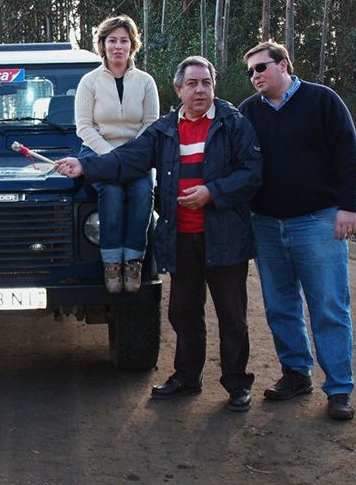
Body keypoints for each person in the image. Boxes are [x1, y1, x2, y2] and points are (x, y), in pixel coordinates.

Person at [55, 56, 262, 412]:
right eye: (192, 84)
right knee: (184, 312)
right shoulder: (164, 131)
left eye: (206, 83)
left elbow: (252, 172)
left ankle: (237, 383)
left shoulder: (234, 124)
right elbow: (128, 158)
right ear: (178, 89)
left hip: (225, 238)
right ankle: (187, 377)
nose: (200, 90)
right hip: (181, 236)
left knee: (232, 316)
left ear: (214, 86)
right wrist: (85, 166)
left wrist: (212, 192)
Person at [239, 42, 356, 421]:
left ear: (283, 65)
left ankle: (339, 388)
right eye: (250, 71)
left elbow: (348, 154)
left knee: (328, 306)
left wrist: (348, 206)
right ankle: (296, 373)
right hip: (266, 224)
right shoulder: (248, 112)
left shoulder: (322, 101)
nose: (255, 76)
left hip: (318, 221)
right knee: (280, 306)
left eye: (261, 67)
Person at [74, 15, 159, 293]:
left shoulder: (146, 82)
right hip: (98, 151)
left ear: (133, 44)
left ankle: (133, 260)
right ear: (103, 44)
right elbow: (84, 127)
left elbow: (150, 125)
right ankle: (111, 263)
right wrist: (111, 156)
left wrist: (128, 155)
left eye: (124, 40)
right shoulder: (89, 82)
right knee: (110, 192)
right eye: (112, 40)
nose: (118, 46)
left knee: (142, 192)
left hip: (137, 153)